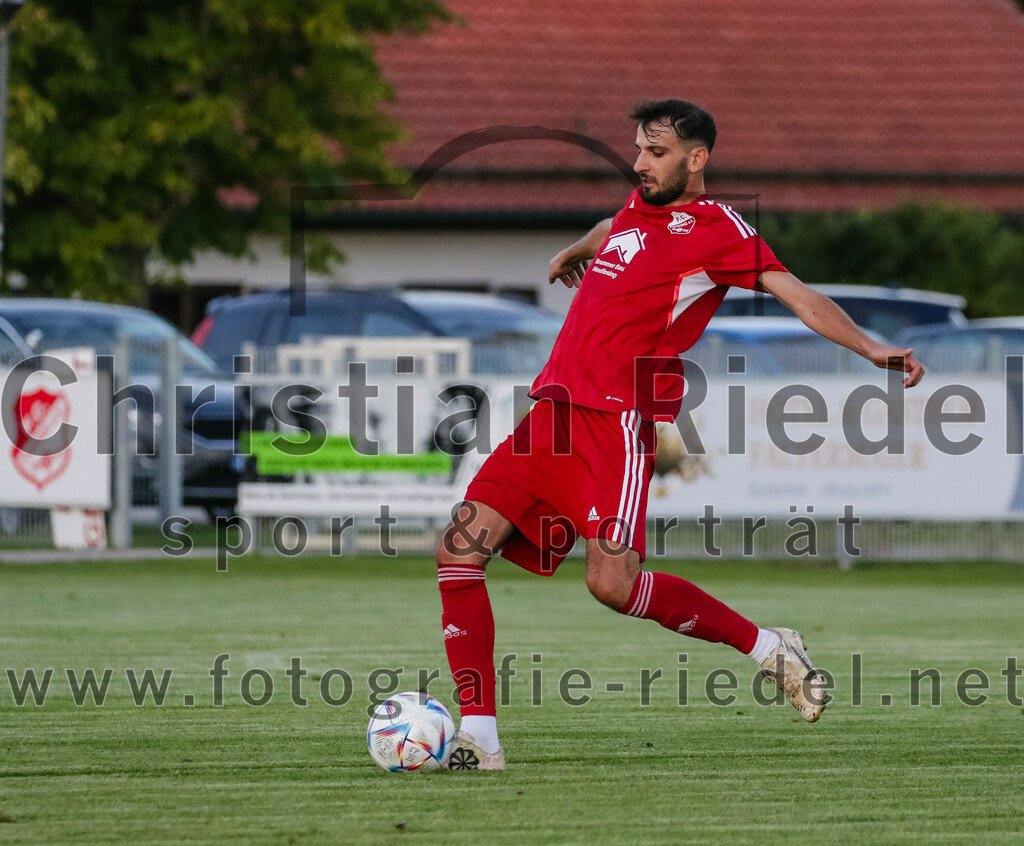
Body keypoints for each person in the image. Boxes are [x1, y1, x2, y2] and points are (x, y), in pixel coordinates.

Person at [437, 99, 925, 771]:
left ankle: (767, 648)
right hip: (551, 414)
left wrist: (872, 349)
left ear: (697, 159)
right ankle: (480, 739)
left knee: (612, 586)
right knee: (459, 552)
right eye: (638, 149)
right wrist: (576, 248)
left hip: (616, 423)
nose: (640, 163)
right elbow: (615, 225)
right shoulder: (640, 206)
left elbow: (796, 293)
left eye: (657, 153)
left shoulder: (719, 229)